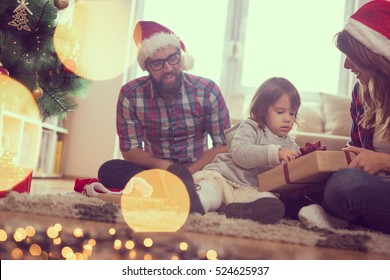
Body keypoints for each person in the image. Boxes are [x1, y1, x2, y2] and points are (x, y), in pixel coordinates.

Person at [97, 21, 231, 213]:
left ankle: (188, 193)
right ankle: (182, 193)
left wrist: (188, 172)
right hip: (157, 172)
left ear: (181, 58)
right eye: (157, 63)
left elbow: (223, 145)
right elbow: (130, 150)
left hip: (201, 170)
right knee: (108, 170)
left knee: (224, 175)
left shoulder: (207, 91)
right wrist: (160, 165)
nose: (167, 68)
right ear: (147, 67)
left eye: (172, 58)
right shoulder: (130, 94)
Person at [299, 0, 390, 234]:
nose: (347, 65)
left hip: (370, 189)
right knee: (299, 184)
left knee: (346, 185)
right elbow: (356, 150)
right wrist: (317, 165)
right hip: (371, 187)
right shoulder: (362, 93)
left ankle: (333, 212)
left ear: (376, 56)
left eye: (353, 56)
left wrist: (382, 161)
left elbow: (368, 165)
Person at [190, 77, 301, 224]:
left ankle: (242, 211)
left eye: (292, 113)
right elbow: (241, 153)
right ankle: (197, 203)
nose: (288, 119)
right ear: (262, 110)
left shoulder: (292, 148)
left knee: (270, 201)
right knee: (210, 191)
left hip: (252, 189)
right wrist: (275, 153)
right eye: (280, 112)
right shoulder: (251, 127)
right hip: (224, 178)